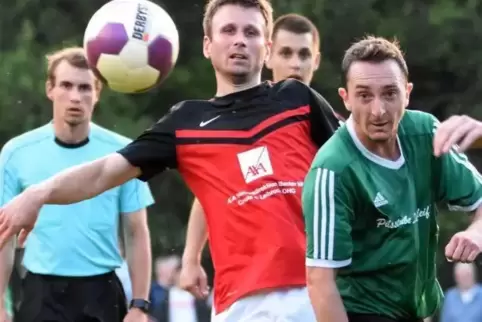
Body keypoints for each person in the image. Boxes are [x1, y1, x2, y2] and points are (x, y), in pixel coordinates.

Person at [0, 1, 341, 321]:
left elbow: (356, 164)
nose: (239, 41)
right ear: (207, 45)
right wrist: (38, 194)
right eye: (228, 31)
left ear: (266, 49)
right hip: (238, 304)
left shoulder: (298, 99)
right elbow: (104, 171)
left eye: (251, 33)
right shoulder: (186, 122)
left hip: (314, 290)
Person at [302, 36, 482, 322]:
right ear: (345, 97)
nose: (378, 111)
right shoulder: (332, 170)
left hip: (418, 309)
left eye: (389, 93)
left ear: (407, 93)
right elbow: (320, 281)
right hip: (362, 312)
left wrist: (476, 232)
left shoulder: (426, 134)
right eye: (364, 95)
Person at [0, 47, 154, 322]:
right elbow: (4, 237)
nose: (75, 97)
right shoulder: (16, 153)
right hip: (40, 292)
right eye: (66, 85)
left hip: (102, 293)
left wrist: (139, 305)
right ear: (50, 89)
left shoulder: (124, 153)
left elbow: (136, 232)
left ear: (97, 93)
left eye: (84, 87)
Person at [180, 13, 323, 299]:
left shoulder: (330, 126)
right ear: (268, 54)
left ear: (316, 61)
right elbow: (212, 189)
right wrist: (191, 257)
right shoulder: (231, 121)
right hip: (246, 289)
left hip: (314, 280)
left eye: (304, 54)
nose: (295, 64)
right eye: (286, 53)